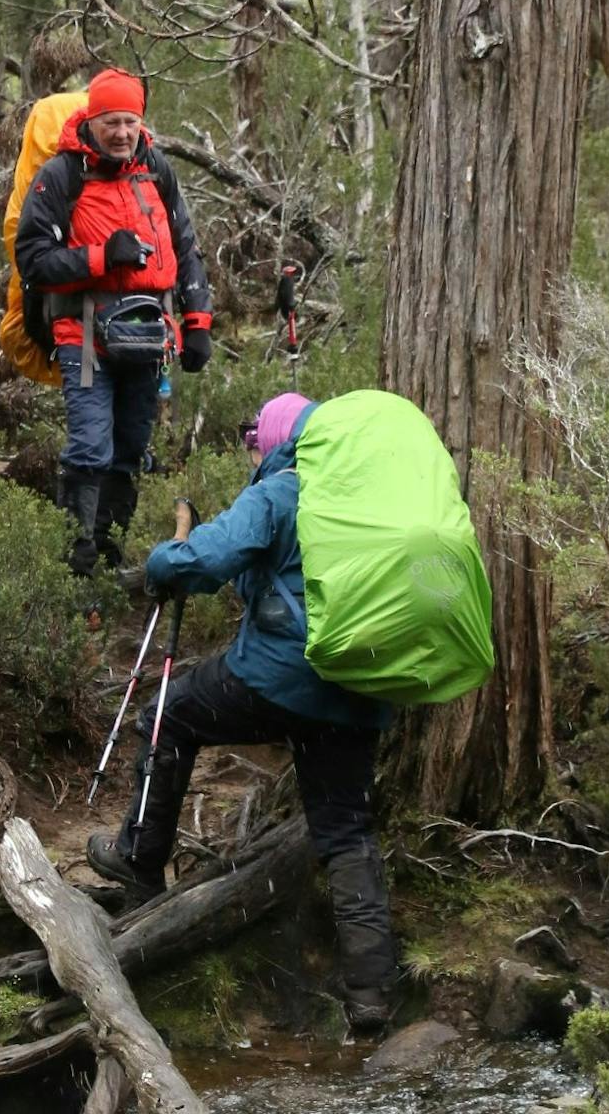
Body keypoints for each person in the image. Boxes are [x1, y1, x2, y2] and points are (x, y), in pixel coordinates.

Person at [85, 392, 399, 1031]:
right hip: (359, 688)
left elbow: (203, 558)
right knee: (346, 834)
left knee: (171, 713)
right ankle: (371, 997)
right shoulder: (364, 501)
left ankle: (140, 861)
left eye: (256, 435)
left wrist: (158, 563)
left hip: (279, 678)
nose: (252, 447)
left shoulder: (281, 491)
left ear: (280, 437)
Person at [14, 68, 214, 577]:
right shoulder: (61, 176)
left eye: (130, 121)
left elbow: (186, 248)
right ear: (92, 119)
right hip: (83, 336)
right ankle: (76, 566)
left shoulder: (156, 170)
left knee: (129, 448)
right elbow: (34, 258)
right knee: (89, 447)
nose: (121, 133)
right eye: (111, 122)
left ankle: (108, 554)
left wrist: (197, 323)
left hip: (147, 339)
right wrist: (103, 257)